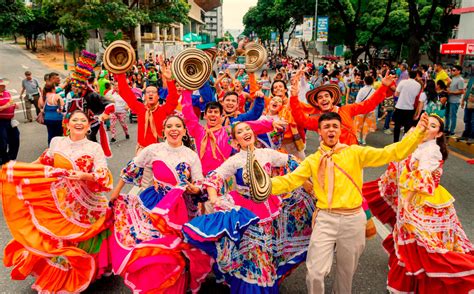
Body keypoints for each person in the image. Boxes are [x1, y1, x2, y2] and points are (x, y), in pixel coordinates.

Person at [270, 112, 430, 294]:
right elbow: (289, 181)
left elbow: (391, 153)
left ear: (340, 130)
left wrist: (417, 133)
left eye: (334, 126)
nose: (331, 130)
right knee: (315, 272)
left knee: (346, 274)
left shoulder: (355, 152)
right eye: (326, 127)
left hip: (353, 219)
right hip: (325, 218)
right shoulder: (312, 160)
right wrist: (263, 186)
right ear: (320, 132)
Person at [183, 121, 315, 293]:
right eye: (240, 131)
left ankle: (261, 284)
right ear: (236, 140)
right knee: (254, 254)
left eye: (247, 129)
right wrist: (214, 198)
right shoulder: (235, 160)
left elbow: (292, 162)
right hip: (246, 212)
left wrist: (306, 181)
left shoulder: (266, 153)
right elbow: (215, 178)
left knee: (265, 253)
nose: (245, 132)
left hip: (269, 208)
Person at [1, 110, 113, 293]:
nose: (79, 123)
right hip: (60, 198)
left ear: (88, 126)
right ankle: (60, 274)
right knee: (56, 236)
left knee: (82, 237)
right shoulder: (57, 142)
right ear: (67, 124)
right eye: (75, 120)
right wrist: (19, 170)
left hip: (86, 203)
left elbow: (102, 174)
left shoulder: (94, 147)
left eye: (83, 120)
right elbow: (44, 161)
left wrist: (84, 175)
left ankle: (82, 271)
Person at [363, 115, 474, 293]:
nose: (427, 127)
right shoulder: (416, 142)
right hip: (410, 199)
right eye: (425, 123)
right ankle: (410, 280)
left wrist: (406, 201)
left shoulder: (431, 151)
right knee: (412, 243)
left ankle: (454, 277)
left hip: (423, 203)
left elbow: (422, 178)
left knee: (424, 246)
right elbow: (398, 159)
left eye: (432, 126)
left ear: (438, 134)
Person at [108, 115, 212, 293]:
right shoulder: (153, 150)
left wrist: (195, 189)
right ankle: (152, 285)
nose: (174, 129)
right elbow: (130, 169)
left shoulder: (191, 155)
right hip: (155, 203)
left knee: (175, 250)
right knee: (154, 247)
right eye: (169, 126)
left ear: (184, 131)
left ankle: (174, 285)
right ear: (163, 131)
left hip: (181, 207)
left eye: (178, 126)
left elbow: (199, 181)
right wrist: (115, 193)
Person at [181, 89, 281, 176]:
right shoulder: (198, 131)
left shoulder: (229, 131)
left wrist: (271, 123)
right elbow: (189, 115)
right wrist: (186, 92)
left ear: (220, 116)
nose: (213, 115)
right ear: (205, 116)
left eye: (216, 112)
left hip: (223, 177)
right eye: (210, 112)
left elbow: (251, 125)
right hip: (201, 177)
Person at [290, 71, 395, 146]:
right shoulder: (318, 120)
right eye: (320, 98)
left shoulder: (346, 109)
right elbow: (301, 120)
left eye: (326, 96)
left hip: (353, 155)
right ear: (317, 103)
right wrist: (294, 97)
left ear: (332, 99)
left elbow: (368, 104)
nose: (323, 99)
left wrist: (384, 86)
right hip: (333, 161)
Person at [115, 61, 178, 153]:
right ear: (145, 96)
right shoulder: (140, 108)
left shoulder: (163, 110)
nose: (151, 94)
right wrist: (120, 72)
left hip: (160, 150)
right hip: (142, 150)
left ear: (158, 96)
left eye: (153, 92)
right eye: (148, 92)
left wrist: (169, 80)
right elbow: (125, 92)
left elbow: (173, 100)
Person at [392, 70, 422, 142]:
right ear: (416, 76)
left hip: (400, 106)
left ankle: (395, 142)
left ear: (408, 75)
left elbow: (396, 94)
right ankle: (404, 143)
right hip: (409, 108)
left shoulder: (402, 82)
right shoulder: (418, 85)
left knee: (397, 126)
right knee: (407, 128)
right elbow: (416, 96)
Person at [0, 78, 20, 165]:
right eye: (2, 85)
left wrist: (14, 105)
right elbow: (6, 105)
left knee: (15, 138)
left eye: (4, 85)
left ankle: (11, 158)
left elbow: (11, 102)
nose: (4, 86)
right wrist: (6, 106)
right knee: (2, 142)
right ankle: (4, 160)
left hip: (10, 120)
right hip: (0, 122)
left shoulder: (7, 93)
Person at [354, 76, 376, 145]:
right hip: (370, 110)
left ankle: (358, 138)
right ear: (372, 82)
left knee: (358, 124)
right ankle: (363, 139)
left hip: (361, 109)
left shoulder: (362, 90)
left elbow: (357, 101)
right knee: (366, 125)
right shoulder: (374, 91)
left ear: (364, 81)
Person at [445, 65, 465, 136]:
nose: (452, 71)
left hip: (455, 101)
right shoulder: (452, 78)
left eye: (454, 70)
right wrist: (447, 85)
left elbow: (462, 91)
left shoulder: (460, 80)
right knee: (446, 115)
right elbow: (448, 87)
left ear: (459, 71)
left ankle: (452, 130)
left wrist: (451, 92)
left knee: (453, 116)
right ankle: (446, 129)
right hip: (448, 100)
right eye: (451, 70)